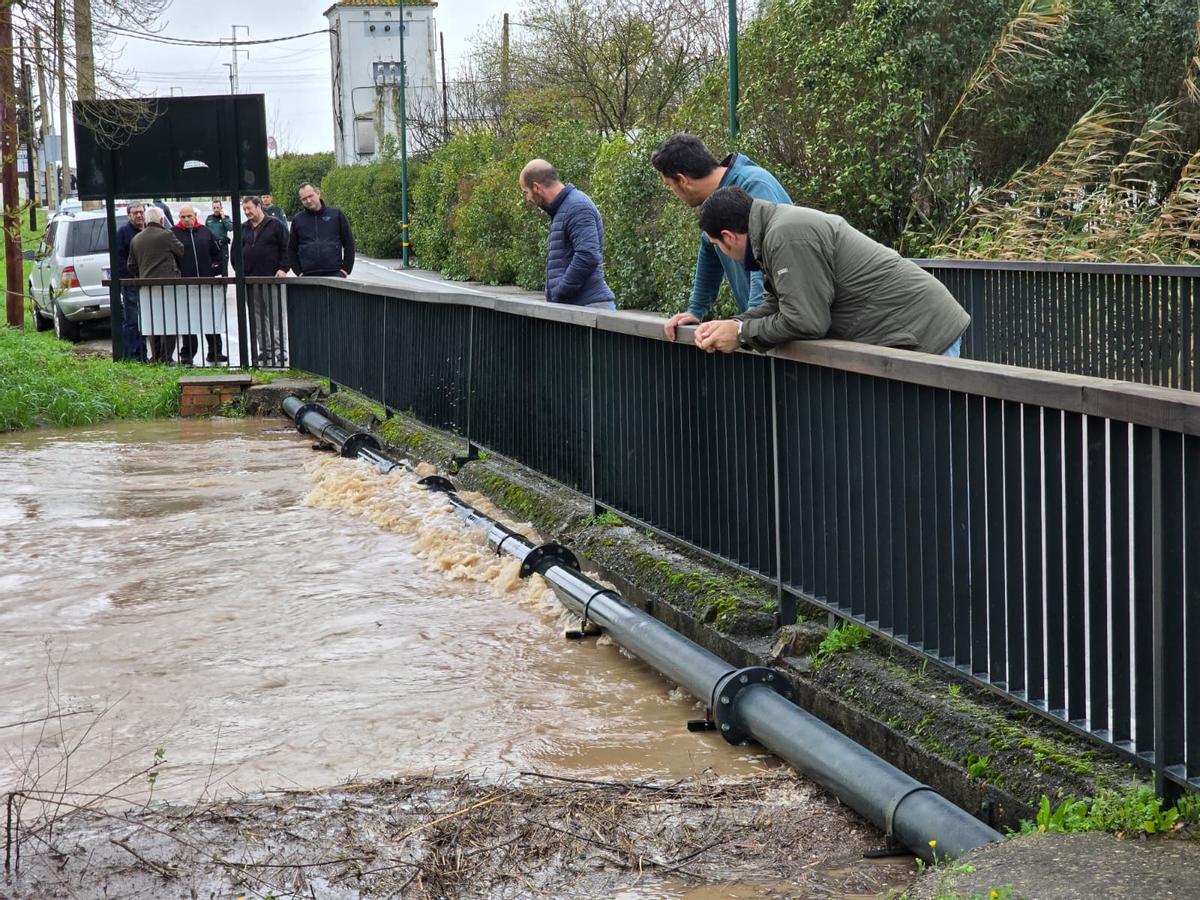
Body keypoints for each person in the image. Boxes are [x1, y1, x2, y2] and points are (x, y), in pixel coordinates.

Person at [693, 187, 970, 357]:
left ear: (729, 237)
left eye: (717, 245)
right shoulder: (775, 231)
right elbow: (781, 302)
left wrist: (741, 333)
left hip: (923, 331)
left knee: (933, 447)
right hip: (910, 329)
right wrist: (730, 324)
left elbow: (806, 320)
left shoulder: (786, 237)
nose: (722, 251)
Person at [651, 134, 791, 340]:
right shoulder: (715, 200)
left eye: (670, 185)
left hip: (784, 326)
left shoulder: (754, 185)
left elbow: (763, 255)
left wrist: (745, 324)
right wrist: (695, 311)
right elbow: (709, 251)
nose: (674, 193)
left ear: (682, 180)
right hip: (759, 328)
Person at [518, 159, 615, 310]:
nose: (528, 199)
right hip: (579, 308)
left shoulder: (577, 207)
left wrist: (560, 292)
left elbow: (587, 255)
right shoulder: (563, 209)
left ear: (536, 187)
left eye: (526, 192)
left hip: (590, 310)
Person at [128, 206, 185, 363]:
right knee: (169, 321)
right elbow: (181, 250)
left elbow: (131, 265)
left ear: (147, 220)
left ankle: (155, 356)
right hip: (168, 286)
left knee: (153, 322)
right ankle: (167, 357)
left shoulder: (136, 239)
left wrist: (141, 275)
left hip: (147, 287)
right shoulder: (166, 234)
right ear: (161, 220)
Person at [239, 196, 290, 366]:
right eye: (244, 209)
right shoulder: (243, 228)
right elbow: (235, 254)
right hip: (251, 280)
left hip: (273, 279)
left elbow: (287, 248)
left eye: (249, 208)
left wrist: (283, 268)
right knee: (257, 318)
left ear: (259, 206)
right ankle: (265, 350)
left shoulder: (276, 225)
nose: (246, 212)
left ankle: (280, 351)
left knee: (276, 318)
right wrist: (242, 272)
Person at [173, 204, 225, 365]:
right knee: (187, 321)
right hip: (184, 286)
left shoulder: (205, 232)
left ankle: (215, 352)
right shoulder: (173, 234)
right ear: (179, 218)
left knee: (210, 318)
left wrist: (214, 269)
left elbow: (218, 255)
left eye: (189, 216)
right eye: (183, 217)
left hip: (206, 284)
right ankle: (187, 354)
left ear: (195, 216)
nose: (186, 219)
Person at [288, 182, 355, 277]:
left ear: (318, 193)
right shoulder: (298, 220)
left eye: (310, 196)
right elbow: (291, 249)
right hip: (308, 276)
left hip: (335, 273)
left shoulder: (336, 215)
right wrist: (299, 272)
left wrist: (345, 270)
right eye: (304, 199)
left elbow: (349, 243)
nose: (308, 200)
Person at [115, 202, 146, 361]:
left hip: (146, 283)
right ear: (129, 216)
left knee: (146, 320)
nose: (139, 215)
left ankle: (143, 354)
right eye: (135, 213)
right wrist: (129, 278)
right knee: (132, 320)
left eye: (141, 212)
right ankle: (132, 355)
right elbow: (119, 259)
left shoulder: (147, 230)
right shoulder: (123, 233)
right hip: (130, 283)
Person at [205, 200, 234, 274]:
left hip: (222, 246)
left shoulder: (226, 218)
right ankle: (212, 285)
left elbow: (230, 228)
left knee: (224, 268)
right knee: (211, 267)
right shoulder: (209, 218)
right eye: (214, 208)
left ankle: (224, 285)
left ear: (221, 208)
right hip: (212, 246)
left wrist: (223, 218)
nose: (216, 210)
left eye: (218, 207)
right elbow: (205, 232)